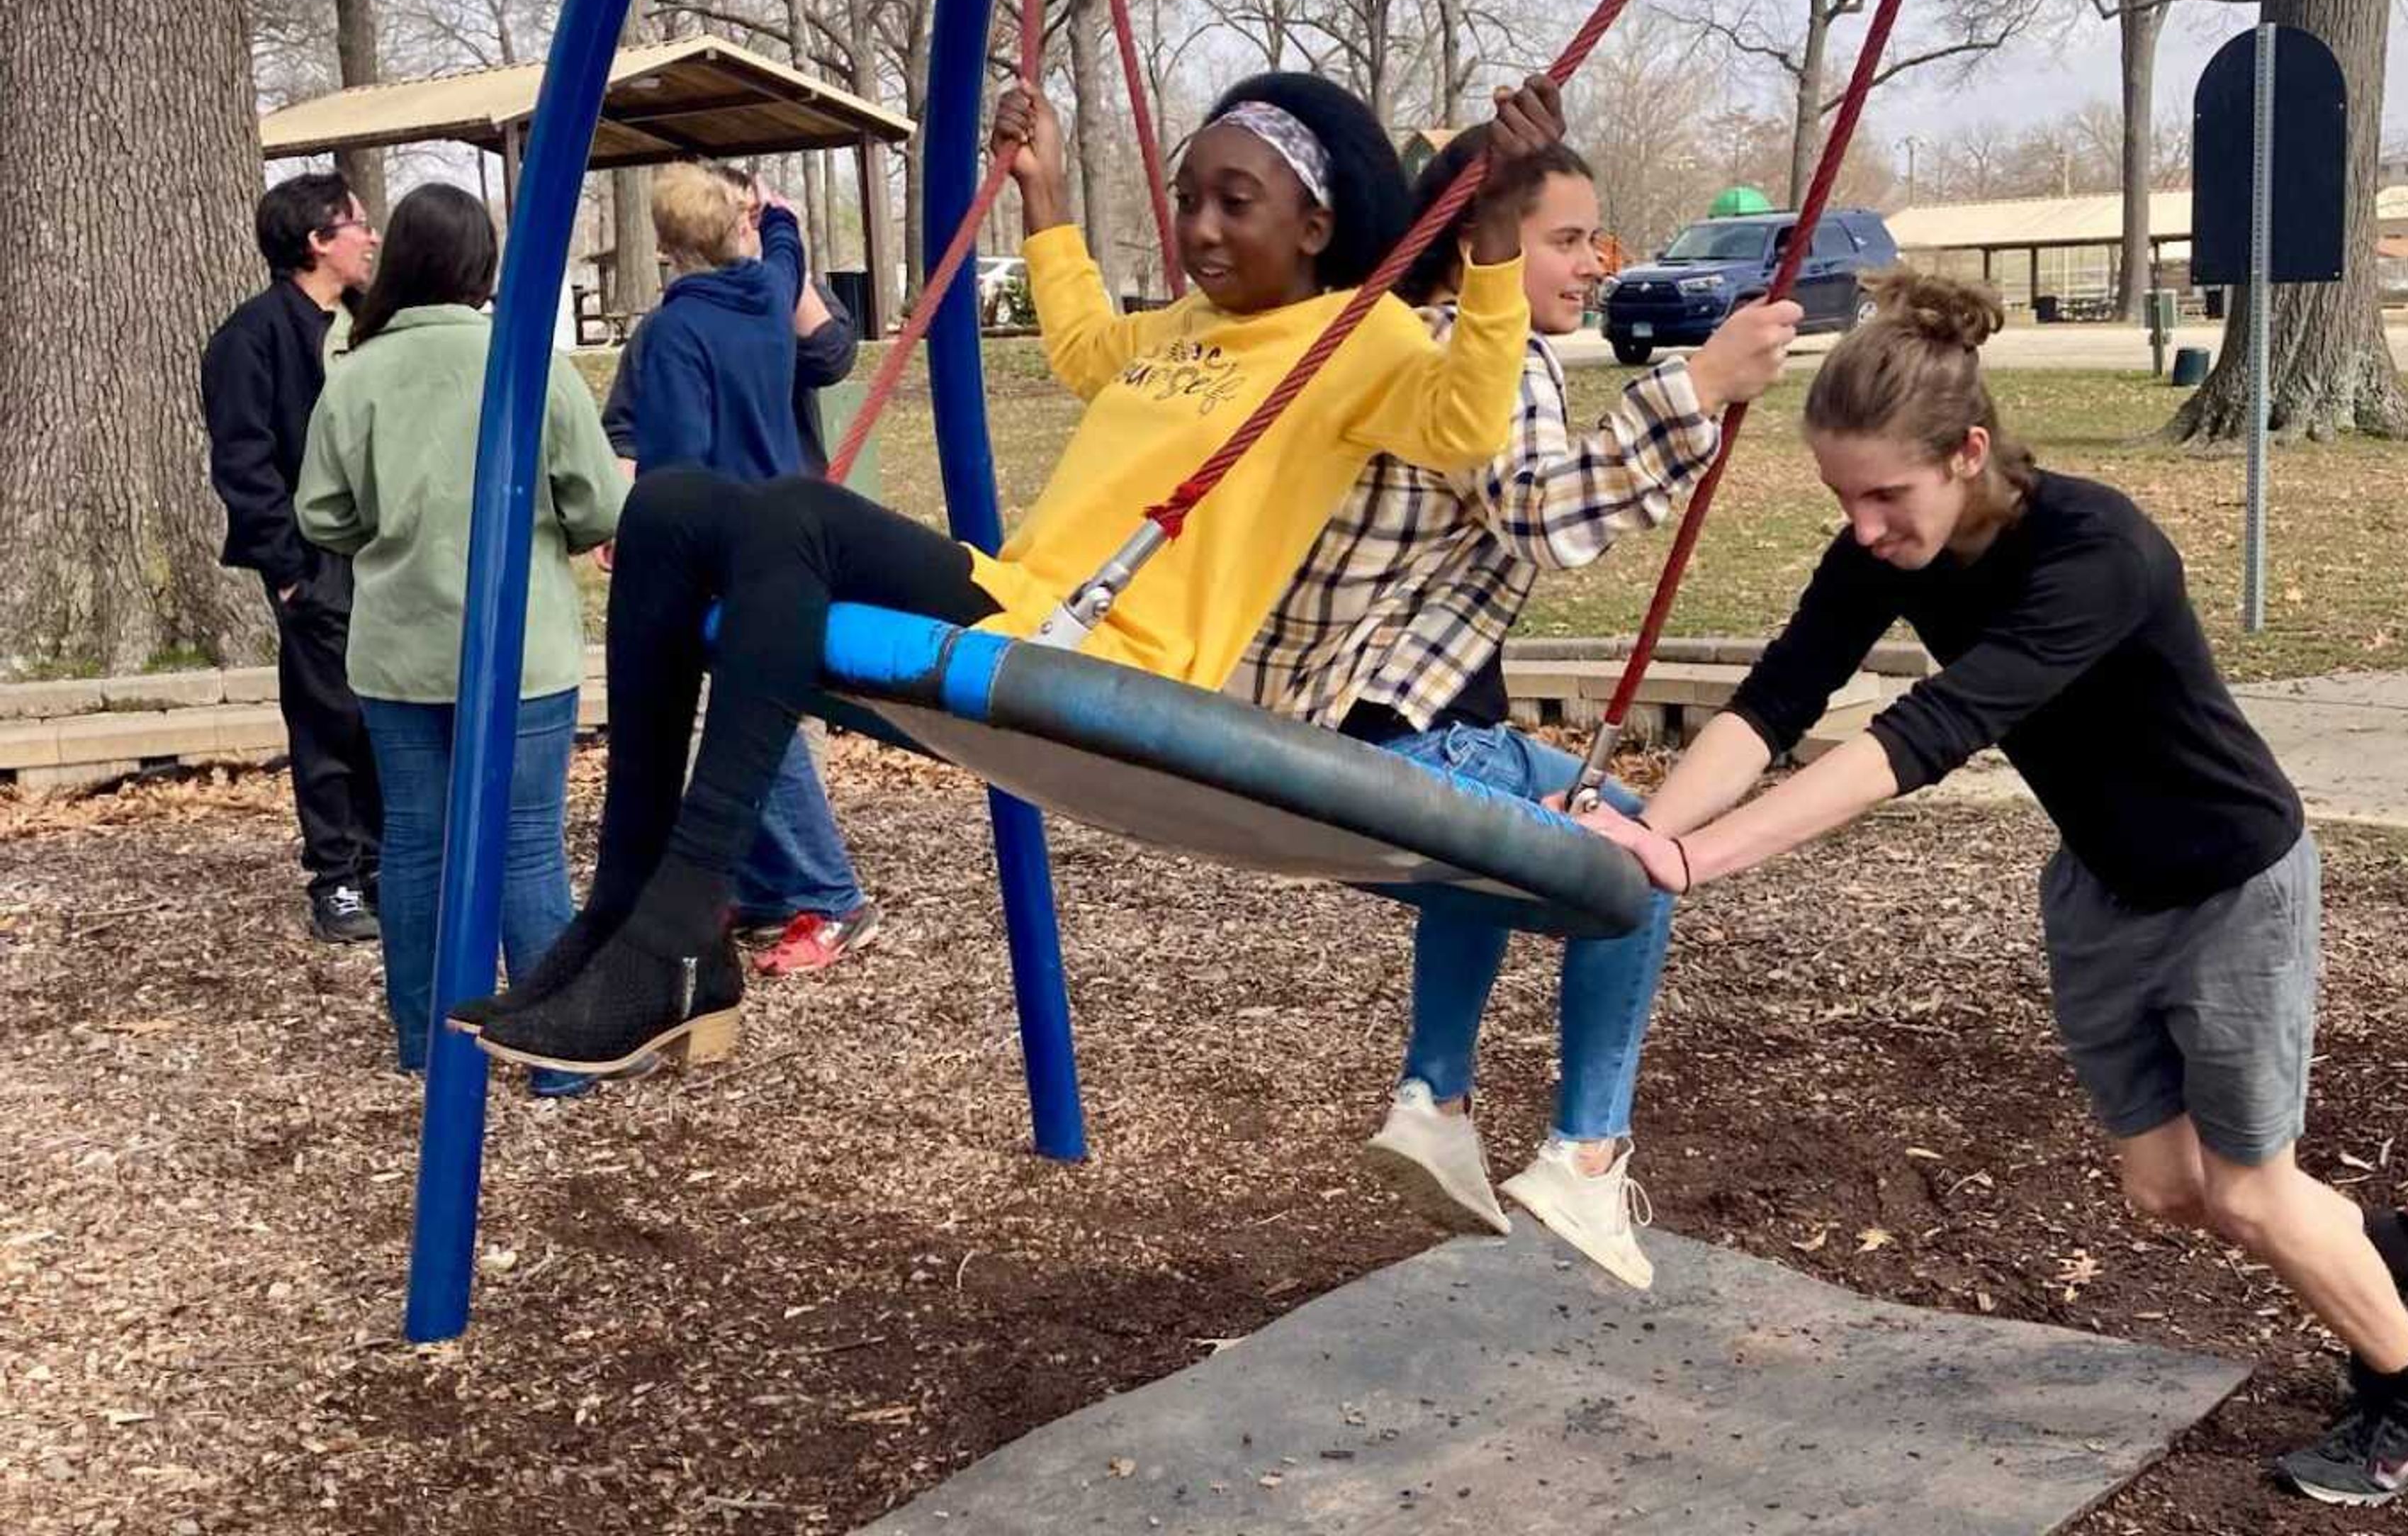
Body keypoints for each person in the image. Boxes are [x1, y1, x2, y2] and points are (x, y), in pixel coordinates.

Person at [455, 69, 1565, 1079]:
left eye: (1236, 202)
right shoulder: (1183, 327)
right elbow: (1086, 349)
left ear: (1316, 224)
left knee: (795, 517)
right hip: (1022, 601)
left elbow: (1467, 423)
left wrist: (1500, 236)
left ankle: (680, 930)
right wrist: (1043, 193)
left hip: (1112, 655)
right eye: (1188, 200)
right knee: (674, 503)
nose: (1199, 229)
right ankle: (620, 916)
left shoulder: (1354, 339)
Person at [1586, 269, 2408, 1506]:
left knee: (2253, 1190)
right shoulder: (1886, 549)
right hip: (2105, 891)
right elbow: (1776, 700)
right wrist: (1636, 832)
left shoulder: (2096, 549)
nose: (1864, 527)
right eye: (1843, 498)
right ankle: (2396, 1253)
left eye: (1887, 495)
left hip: (2231, 888)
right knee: (2169, 1193)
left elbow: (1926, 732)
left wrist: (1697, 862)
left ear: (1966, 452)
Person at [1240, 132, 1799, 1288]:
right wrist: (1697, 387)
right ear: (1482, 244)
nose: (1594, 261)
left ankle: (1434, 1096)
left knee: (1483, 833)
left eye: (1595, 236)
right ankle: (1586, 1156)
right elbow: (1545, 513)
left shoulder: (1375, 344)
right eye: (1563, 239)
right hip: (1396, 740)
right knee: (1639, 854)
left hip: (1307, 744)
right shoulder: (1479, 352)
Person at [296, 184, 626, 1099]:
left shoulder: (356, 369)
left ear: (399, 258)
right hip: (521, 649)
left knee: (416, 843)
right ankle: (557, 1051)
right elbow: (598, 502)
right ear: (484, 265)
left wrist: (389, 522)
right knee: (525, 844)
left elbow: (321, 512)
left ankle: (426, 1037)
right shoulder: (528, 360)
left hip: (401, 650)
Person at [607, 163, 879, 981]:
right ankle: (763, 885)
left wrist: (652, 529)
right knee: (749, 706)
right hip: (784, 529)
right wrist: (777, 211)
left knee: (749, 713)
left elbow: (681, 460)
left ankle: (832, 895)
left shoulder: (669, 334)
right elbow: (789, 247)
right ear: (738, 230)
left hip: (721, 544)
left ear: (664, 247)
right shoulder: (765, 295)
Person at [200, 172, 386, 943]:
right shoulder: (253, 337)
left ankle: (385, 863)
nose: (372, 237)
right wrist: (290, 571)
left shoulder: (371, 326)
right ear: (317, 241)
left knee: (385, 711)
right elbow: (245, 462)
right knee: (328, 717)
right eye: (358, 224)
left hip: (388, 555)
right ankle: (336, 878)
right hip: (315, 561)